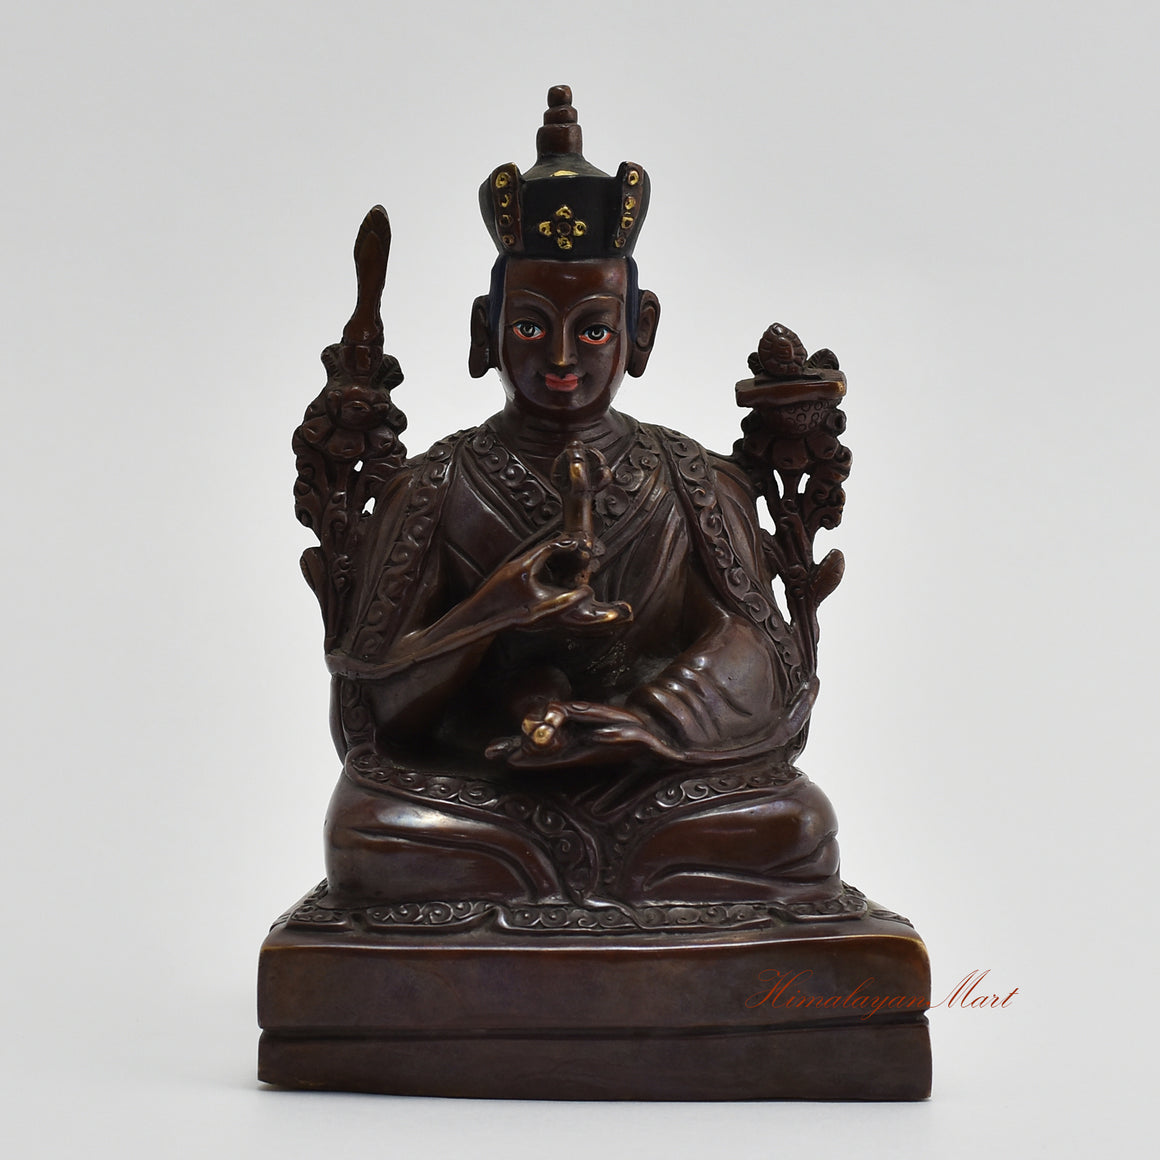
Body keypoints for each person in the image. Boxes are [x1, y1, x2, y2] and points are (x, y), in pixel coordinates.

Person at [313, 88, 845, 916]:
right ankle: (606, 883)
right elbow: (379, 712)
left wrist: (653, 722)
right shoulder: (437, 487)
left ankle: (577, 878)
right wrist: (490, 613)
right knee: (367, 827)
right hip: (486, 788)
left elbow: (759, 647)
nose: (562, 358)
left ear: (641, 331)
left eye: (593, 328)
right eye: (531, 327)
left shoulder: (690, 478)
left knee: (797, 822)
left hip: (655, 782)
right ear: (485, 329)